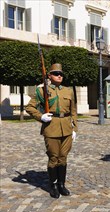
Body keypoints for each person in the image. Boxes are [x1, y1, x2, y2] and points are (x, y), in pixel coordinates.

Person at [26, 63, 77, 199]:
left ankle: (61, 184)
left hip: (66, 128)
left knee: (63, 158)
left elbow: (73, 111)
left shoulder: (68, 90)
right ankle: (53, 185)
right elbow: (30, 108)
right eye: (56, 73)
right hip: (51, 128)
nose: (59, 76)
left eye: (61, 74)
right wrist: (41, 117)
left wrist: (75, 128)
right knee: (54, 158)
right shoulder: (42, 91)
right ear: (49, 76)